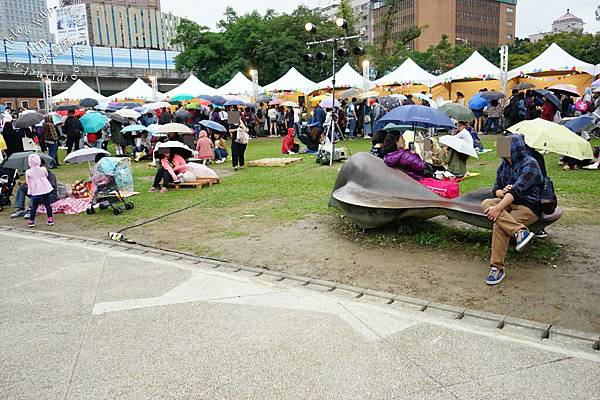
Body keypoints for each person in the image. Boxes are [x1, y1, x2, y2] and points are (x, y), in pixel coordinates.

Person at [481, 135, 543, 285]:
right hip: (507, 202)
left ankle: (497, 268)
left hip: (527, 205)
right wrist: (501, 193)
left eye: (503, 145)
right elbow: (495, 188)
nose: (498, 147)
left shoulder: (530, 164)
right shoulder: (503, 165)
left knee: (499, 225)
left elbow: (517, 191)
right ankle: (519, 232)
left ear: (514, 149)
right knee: (486, 203)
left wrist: (498, 208)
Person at [25, 154, 55, 227]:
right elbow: (46, 175)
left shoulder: (28, 172)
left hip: (35, 191)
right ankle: (50, 219)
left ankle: (31, 221)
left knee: (34, 206)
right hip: (45, 189)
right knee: (47, 205)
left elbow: (27, 181)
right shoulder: (43, 169)